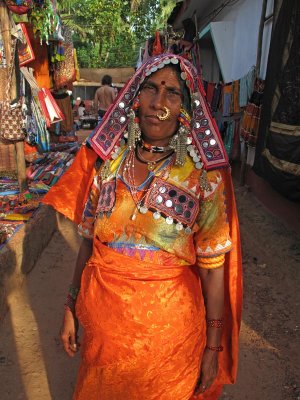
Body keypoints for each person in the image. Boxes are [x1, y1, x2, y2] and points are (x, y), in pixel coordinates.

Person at [43, 54, 242, 400]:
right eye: (150, 88)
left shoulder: (203, 178)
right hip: (104, 343)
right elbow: (89, 246)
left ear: (186, 107)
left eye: (172, 93)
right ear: (135, 95)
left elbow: (213, 270)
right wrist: (70, 306)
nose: (157, 102)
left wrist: (212, 348)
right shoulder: (107, 166)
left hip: (170, 346)